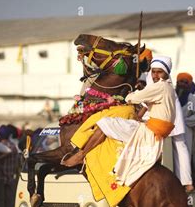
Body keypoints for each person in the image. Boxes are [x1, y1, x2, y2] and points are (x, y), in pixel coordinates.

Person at [62, 56, 177, 189]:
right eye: (153, 71)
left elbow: (133, 98)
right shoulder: (167, 87)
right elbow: (149, 104)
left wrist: (130, 94)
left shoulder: (160, 87)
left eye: (159, 72)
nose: (156, 75)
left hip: (149, 133)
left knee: (105, 122)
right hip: (152, 128)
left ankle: (80, 156)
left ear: (166, 73)